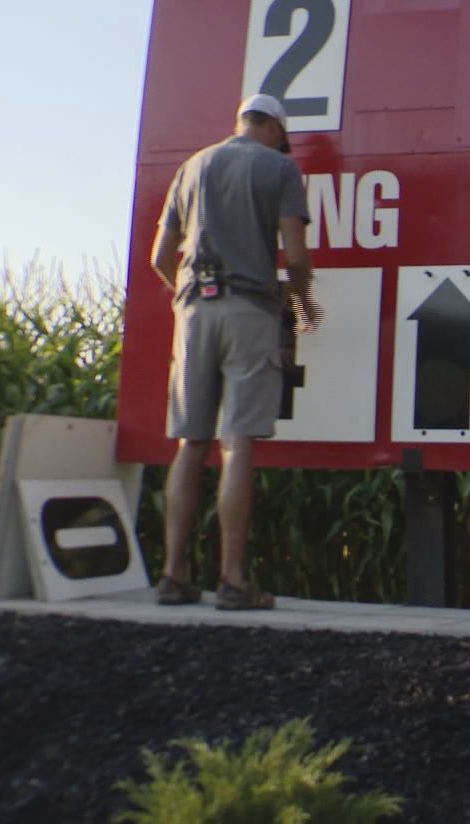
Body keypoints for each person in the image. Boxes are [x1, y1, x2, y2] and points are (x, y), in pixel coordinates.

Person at [149, 93, 318, 610]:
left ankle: (173, 576)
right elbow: (296, 254)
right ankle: (233, 581)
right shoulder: (280, 169)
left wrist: (184, 297)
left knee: (190, 443)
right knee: (238, 442)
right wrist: (303, 300)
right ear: (272, 128)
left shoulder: (193, 165)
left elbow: (161, 256)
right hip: (249, 310)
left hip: (195, 311)